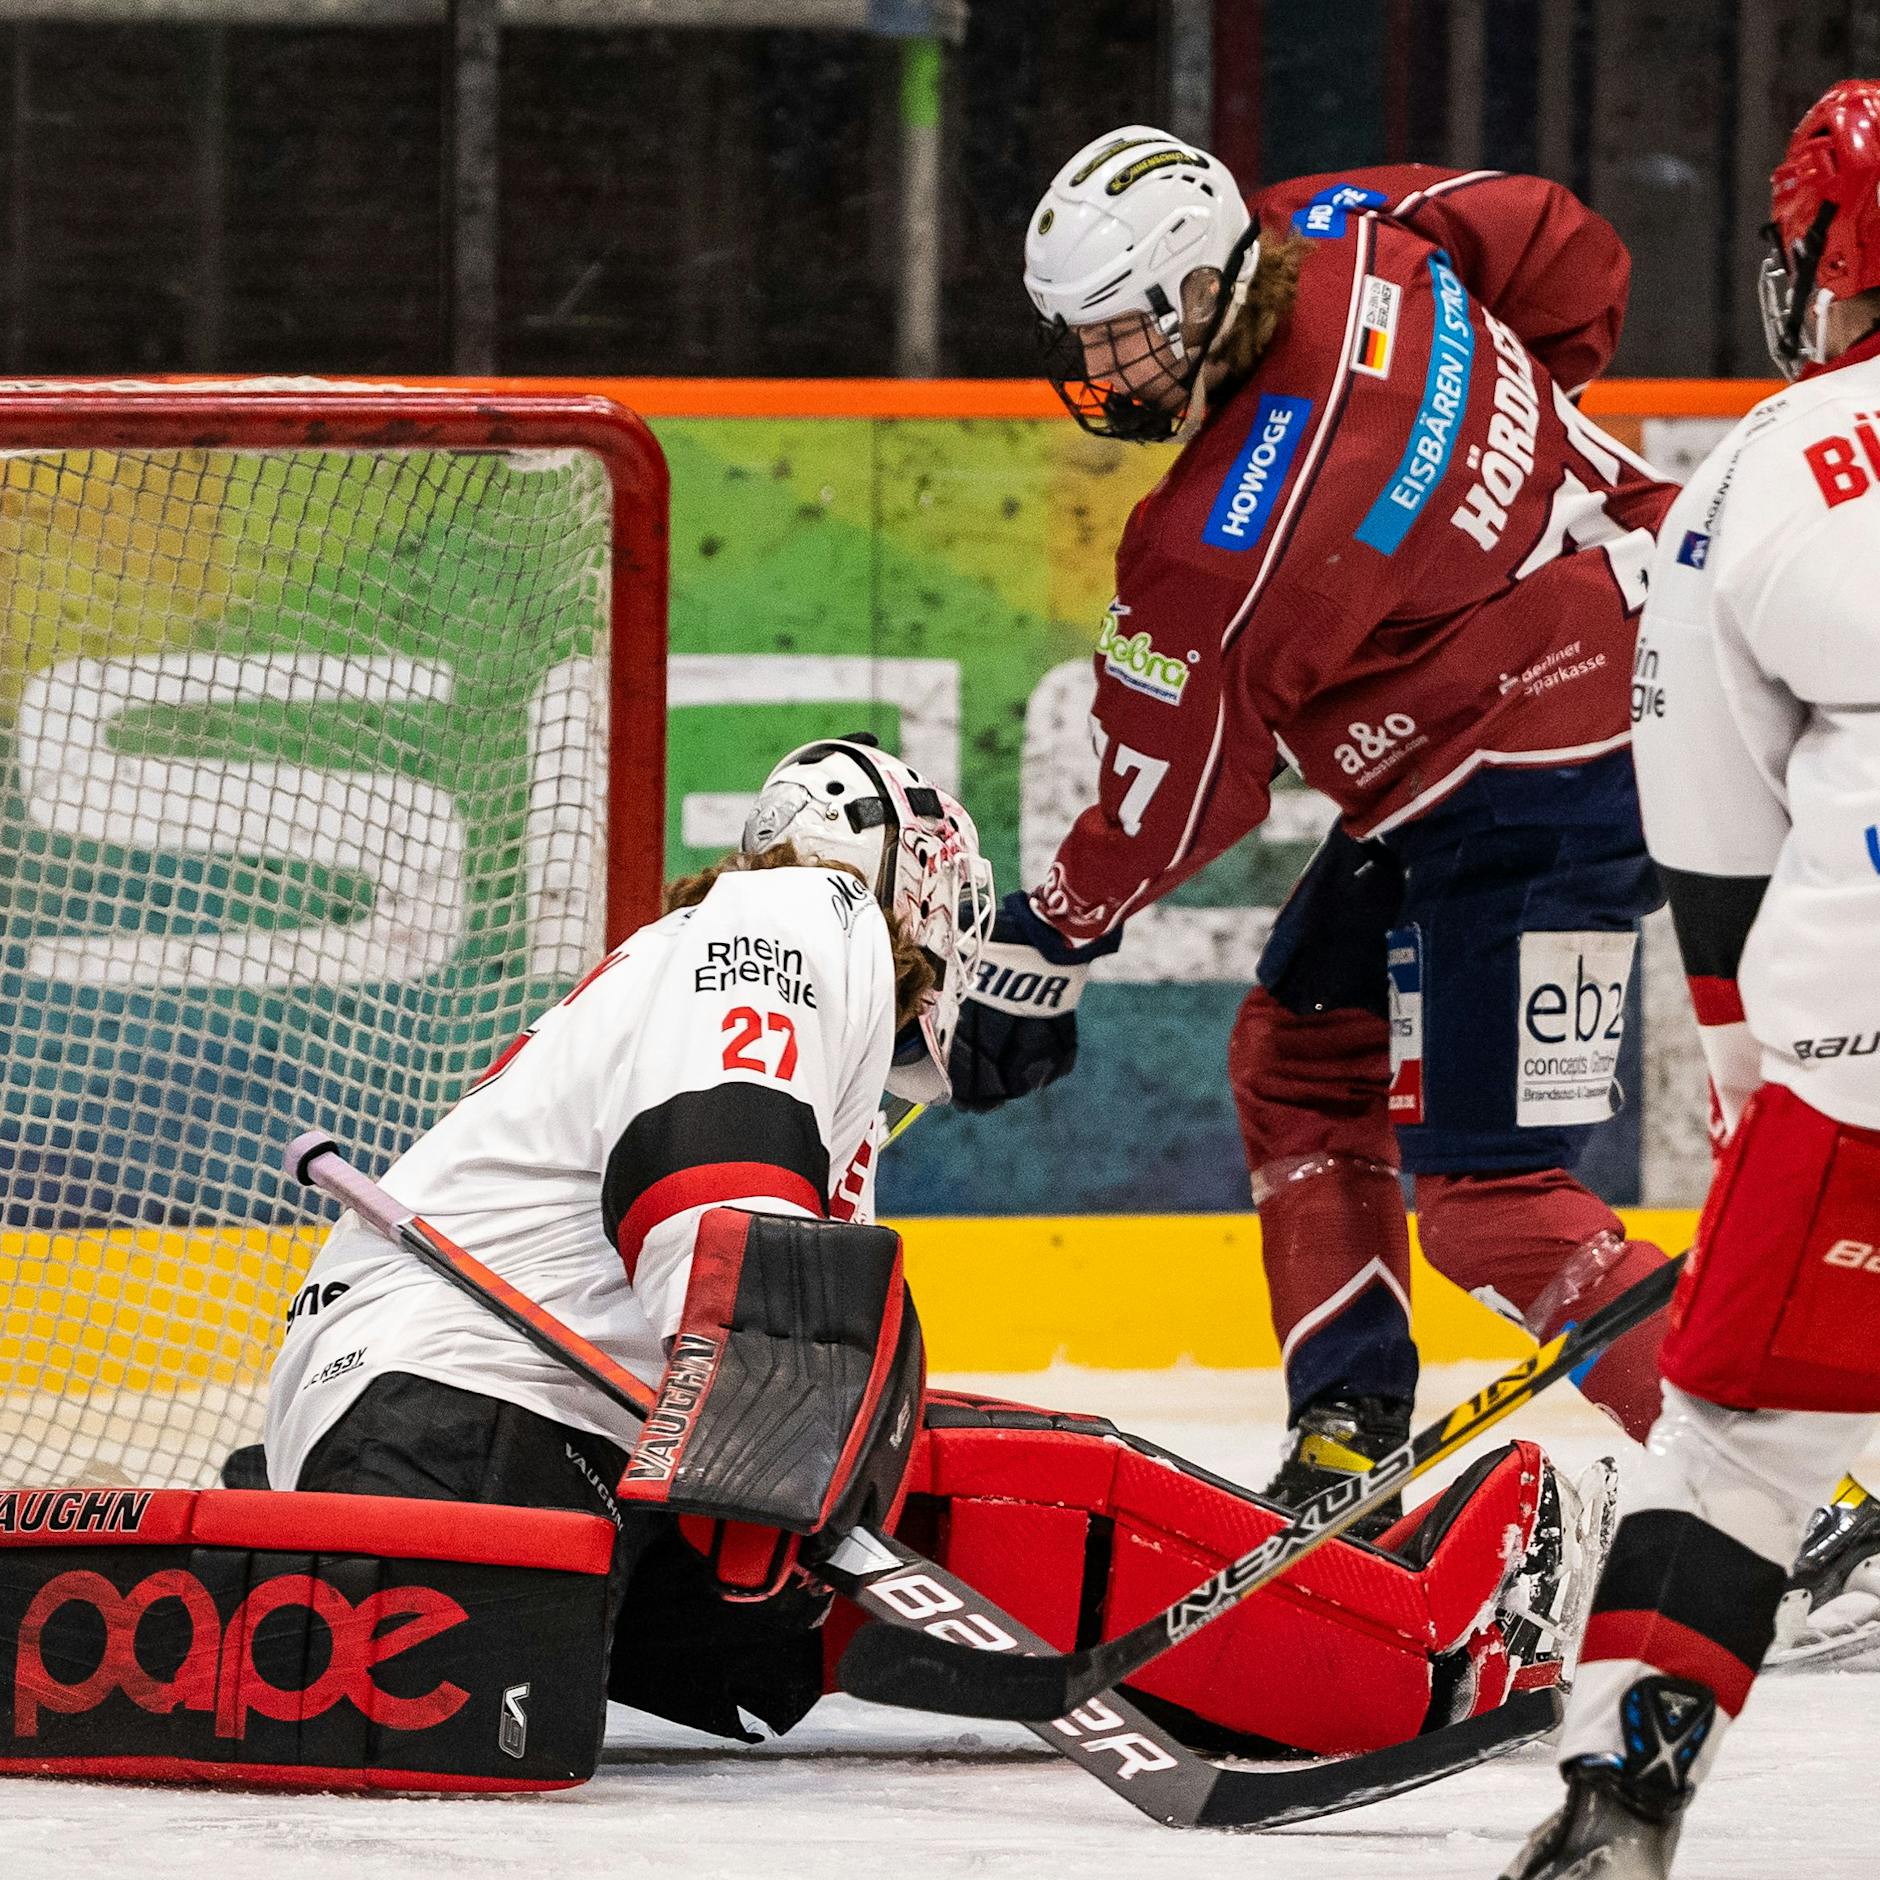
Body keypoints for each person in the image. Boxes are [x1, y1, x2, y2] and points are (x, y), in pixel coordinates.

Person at [255, 734, 1595, 1773]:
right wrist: (761, 1430)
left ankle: (1338, 1632)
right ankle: (1414, 1639)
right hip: (467, 1427)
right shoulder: (804, 914)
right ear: (915, 877)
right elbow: (708, 1172)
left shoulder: (708, 963)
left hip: (458, 1445)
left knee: (932, 1450)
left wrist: (773, 1433)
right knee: (1022, 1485)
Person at [950, 127, 1679, 1521]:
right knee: (1302, 1051)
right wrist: (1493, 452)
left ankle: (1802, 1503)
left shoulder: (1211, 543)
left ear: (1198, 292)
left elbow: (1175, 792)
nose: (1097, 374)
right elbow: (1561, 247)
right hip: (1650, 658)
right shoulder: (1337, 222)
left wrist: (1053, 935)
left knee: (1494, 1202)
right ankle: (1349, 1432)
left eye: (1116, 337)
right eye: (1077, 340)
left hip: (1547, 780)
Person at [1505, 79, 1880, 1877]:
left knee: (1737, 1451)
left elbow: (1713, 827)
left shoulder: (1768, 467)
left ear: (1825, 260)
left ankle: (1621, 1809)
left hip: (1864, 1058)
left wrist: (1750, 1074)